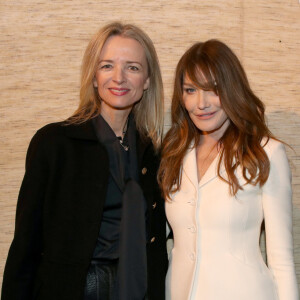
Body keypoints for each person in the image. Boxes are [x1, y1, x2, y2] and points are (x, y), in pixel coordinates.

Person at [2, 22, 167, 300]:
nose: (119, 77)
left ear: (147, 81)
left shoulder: (154, 154)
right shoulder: (55, 143)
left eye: (133, 67)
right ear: (93, 77)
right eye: (107, 66)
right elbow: (25, 246)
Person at [158, 40, 299, 300]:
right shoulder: (174, 153)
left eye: (213, 89)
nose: (201, 103)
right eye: (190, 90)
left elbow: (281, 261)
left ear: (232, 89)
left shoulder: (266, 153)